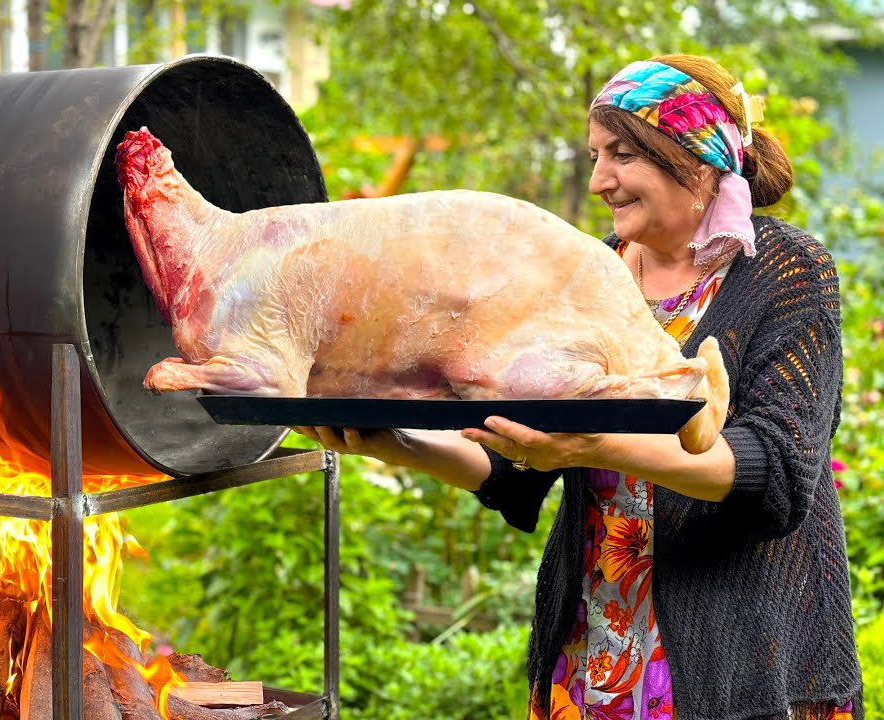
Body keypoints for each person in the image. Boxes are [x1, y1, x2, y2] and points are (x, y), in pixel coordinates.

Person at [294, 54, 862, 720]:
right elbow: (516, 463)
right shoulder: (585, 274)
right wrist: (393, 445)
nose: (599, 181)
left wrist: (597, 444)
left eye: (622, 156)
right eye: (595, 155)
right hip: (594, 645)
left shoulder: (785, 270)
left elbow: (775, 469)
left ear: (698, 161)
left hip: (743, 659)